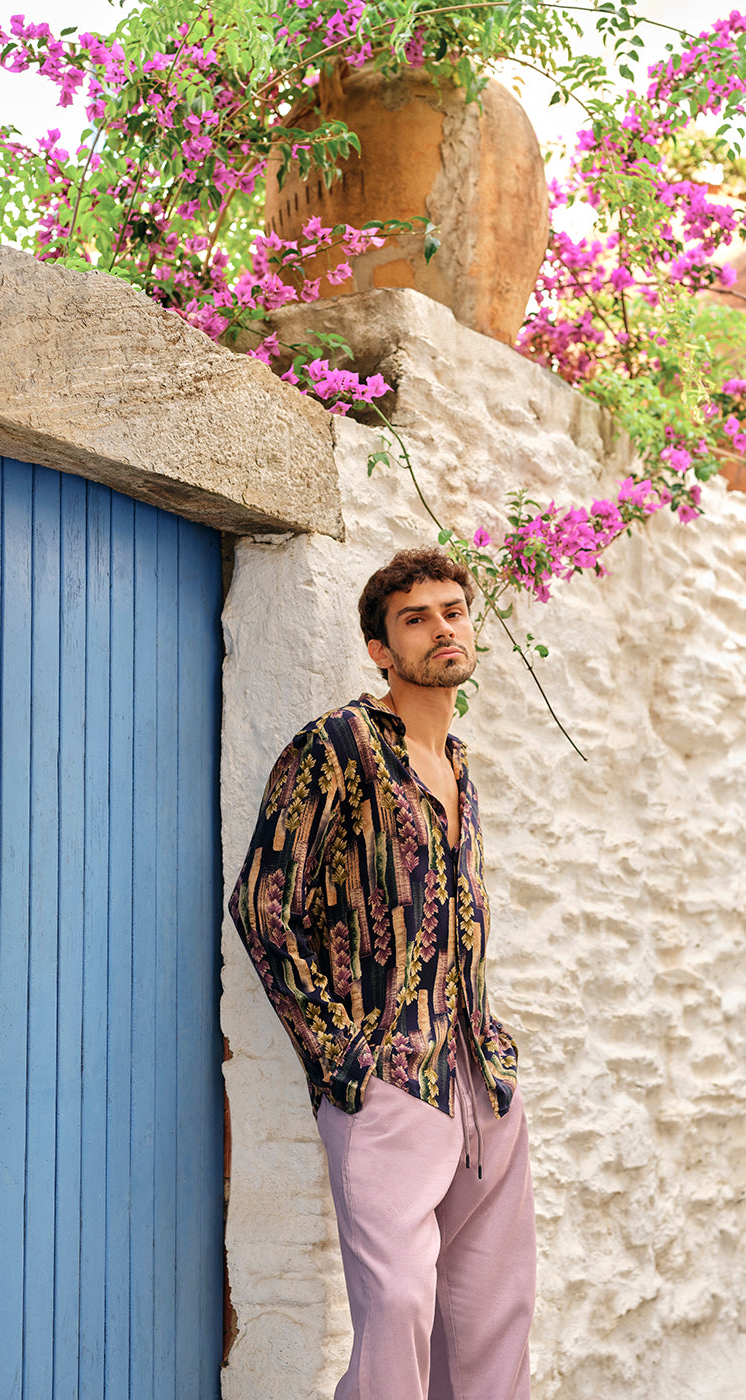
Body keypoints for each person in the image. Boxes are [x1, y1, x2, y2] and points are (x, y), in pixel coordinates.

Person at [229, 547, 536, 1400]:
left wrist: (494, 1047)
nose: (443, 628)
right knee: (399, 1309)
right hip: (390, 1082)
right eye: (416, 618)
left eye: (454, 610)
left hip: (482, 1080)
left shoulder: (461, 766)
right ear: (379, 648)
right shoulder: (339, 746)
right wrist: (342, 1059)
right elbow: (262, 906)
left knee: (490, 1322)